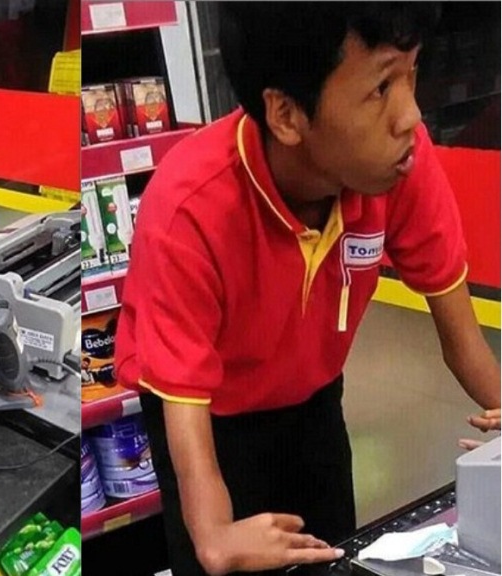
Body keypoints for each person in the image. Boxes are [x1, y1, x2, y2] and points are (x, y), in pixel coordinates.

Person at [113, 4, 501, 575]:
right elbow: (185, 410)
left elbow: (463, 339)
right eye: (381, 87)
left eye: (412, 73)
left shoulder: (400, 163)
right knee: (221, 559)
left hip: (313, 399)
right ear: (287, 114)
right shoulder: (189, 209)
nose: (411, 115)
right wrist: (214, 536)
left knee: (332, 552)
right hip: (208, 419)